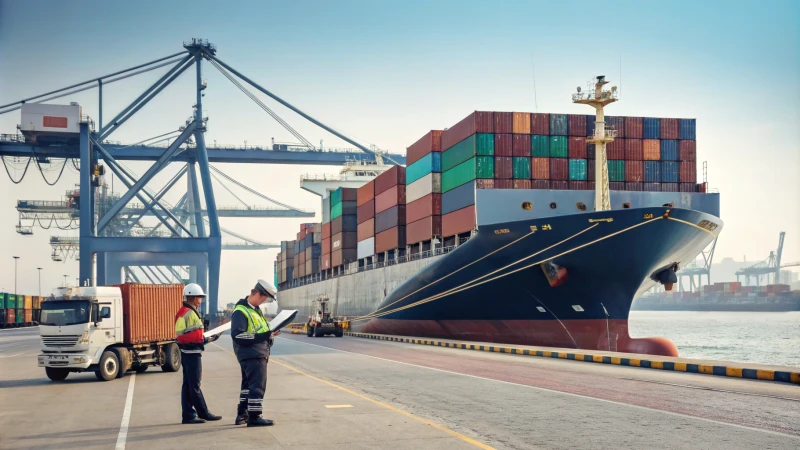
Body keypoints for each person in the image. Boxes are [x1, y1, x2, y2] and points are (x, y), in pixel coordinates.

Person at [231, 279, 280, 427]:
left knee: (248, 386)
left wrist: (270, 334)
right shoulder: (241, 311)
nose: (264, 301)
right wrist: (264, 336)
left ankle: (242, 414)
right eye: (264, 298)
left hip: (254, 353)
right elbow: (238, 335)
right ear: (257, 294)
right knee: (258, 386)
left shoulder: (254, 310)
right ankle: (254, 416)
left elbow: (257, 330)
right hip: (252, 354)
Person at [174, 283, 222, 424]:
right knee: (194, 385)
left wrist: (206, 338)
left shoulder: (187, 311)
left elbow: (191, 333)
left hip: (189, 351)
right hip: (191, 353)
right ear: (194, 298)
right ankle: (203, 412)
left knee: (188, 385)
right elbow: (184, 335)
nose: (201, 300)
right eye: (200, 297)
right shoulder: (188, 313)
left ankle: (188, 415)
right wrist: (205, 339)